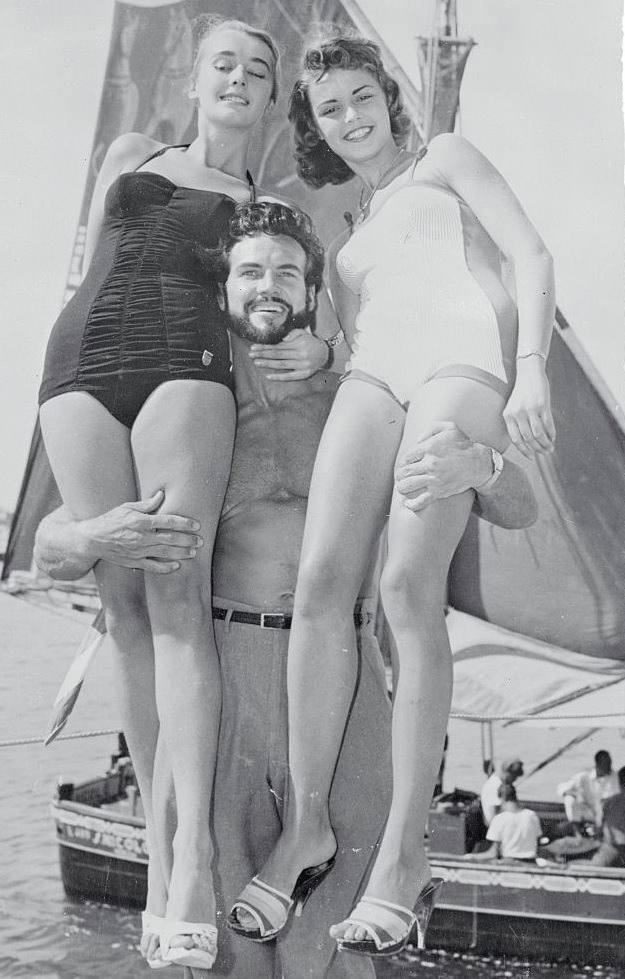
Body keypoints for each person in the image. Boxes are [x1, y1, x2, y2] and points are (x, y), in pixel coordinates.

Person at [34, 201, 538, 979]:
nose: (267, 287)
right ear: (221, 286)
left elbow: (520, 504)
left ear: (311, 291)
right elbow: (52, 543)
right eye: (249, 271)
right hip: (219, 680)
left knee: (335, 948)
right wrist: (92, 537)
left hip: (345, 682)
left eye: (286, 273)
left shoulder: (367, 394)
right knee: (216, 951)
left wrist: (479, 468)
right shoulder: (185, 401)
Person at [228, 28, 556, 958]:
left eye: (360, 98)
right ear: (316, 127)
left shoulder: (445, 159)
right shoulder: (348, 235)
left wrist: (528, 369)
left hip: (462, 367)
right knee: (321, 588)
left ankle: (404, 857)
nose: (348, 119)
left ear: (389, 95)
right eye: (328, 110)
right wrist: (322, 350)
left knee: (408, 589)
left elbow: (529, 258)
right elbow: (361, 334)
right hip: (374, 377)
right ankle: (307, 829)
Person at [35, 16, 327, 971]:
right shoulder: (131, 151)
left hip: (184, 370)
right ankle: (160, 867)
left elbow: (282, 302)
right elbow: (88, 267)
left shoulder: (272, 199)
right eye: (222, 63)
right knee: (120, 610)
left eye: (256, 67)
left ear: (274, 94)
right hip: (76, 365)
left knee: (173, 605)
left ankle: (190, 863)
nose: (238, 76)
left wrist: (319, 344)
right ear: (195, 80)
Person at [471, 784, 542, 863]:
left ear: (502, 798)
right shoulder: (531, 815)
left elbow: (493, 854)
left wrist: (472, 857)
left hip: (509, 863)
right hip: (531, 862)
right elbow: (538, 843)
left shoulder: (500, 819)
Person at [557, 750, 620, 837]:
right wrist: (576, 794)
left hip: (607, 812)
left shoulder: (615, 777)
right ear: (598, 764)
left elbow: (615, 797)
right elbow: (561, 788)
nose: (609, 766)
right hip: (589, 811)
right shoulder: (584, 776)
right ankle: (578, 835)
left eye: (610, 763)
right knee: (569, 799)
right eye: (606, 763)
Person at [589, 766, 625, 868]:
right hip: (615, 849)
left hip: (612, 850)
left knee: (593, 866)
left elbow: (598, 829)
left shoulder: (608, 802)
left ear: (619, 783)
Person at [481, 757, 525, 826]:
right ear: (508, 773)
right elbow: (493, 815)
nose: (515, 780)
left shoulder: (498, 782)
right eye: (514, 777)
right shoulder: (495, 784)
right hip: (497, 827)